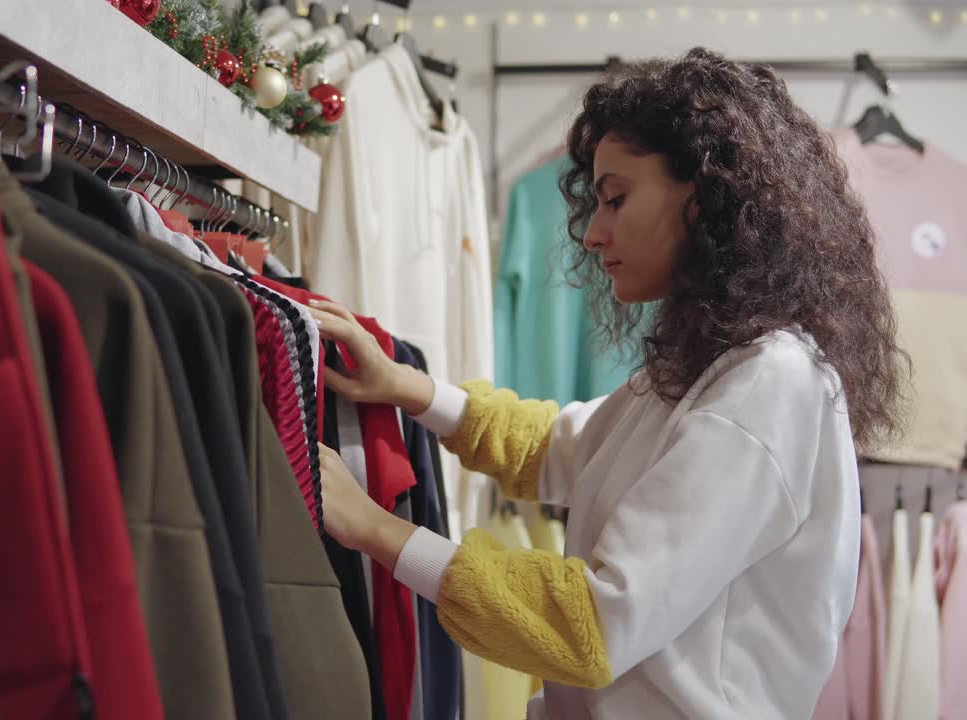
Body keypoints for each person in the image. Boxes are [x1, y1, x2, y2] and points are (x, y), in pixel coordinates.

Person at [308, 48, 907, 720]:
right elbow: (563, 447)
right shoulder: (716, 362)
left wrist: (375, 529)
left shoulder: (767, 384)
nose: (593, 234)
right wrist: (407, 387)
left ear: (707, 197)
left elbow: (590, 624)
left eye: (617, 199)